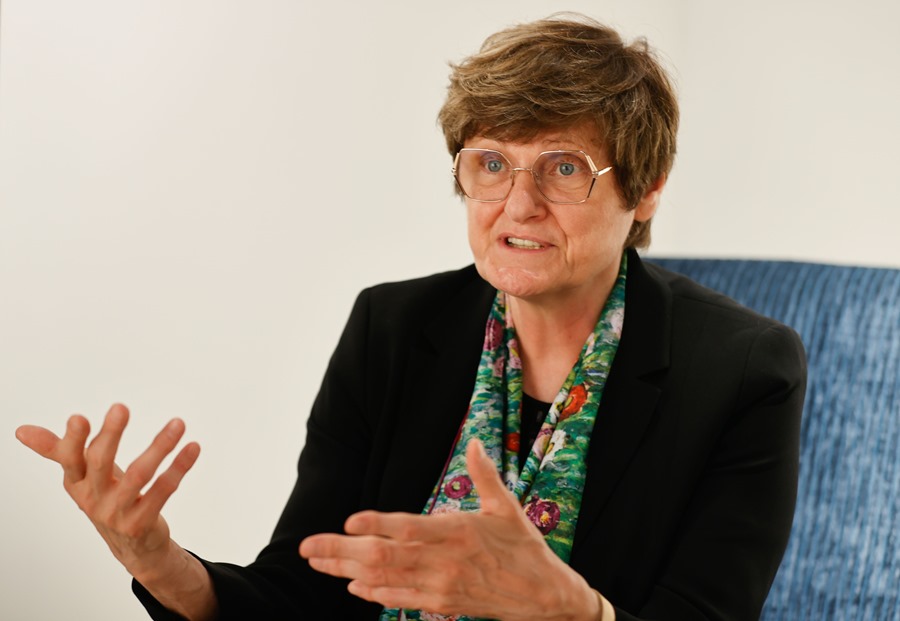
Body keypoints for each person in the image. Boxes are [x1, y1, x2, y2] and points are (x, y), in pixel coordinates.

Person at [15, 14, 806, 621]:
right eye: (491, 163)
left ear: (648, 188)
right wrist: (161, 565)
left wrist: (572, 609)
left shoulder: (744, 370)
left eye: (563, 167)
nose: (518, 204)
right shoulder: (392, 327)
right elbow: (304, 591)